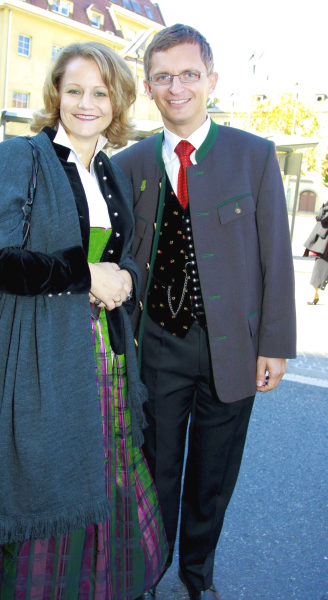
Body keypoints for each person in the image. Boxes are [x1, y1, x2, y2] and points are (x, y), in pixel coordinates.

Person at [0, 42, 167, 599]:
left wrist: (124, 279)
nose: (86, 103)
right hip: (35, 353)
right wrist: (82, 275)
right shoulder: (18, 158)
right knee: (42, 481)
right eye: (74, 90)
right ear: (56, 94)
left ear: (118, 102)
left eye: (100, 93)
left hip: (102, 355)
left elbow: (122, 256)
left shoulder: (110, 171)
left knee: (102, 473)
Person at [113, 24, 296, 600]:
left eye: (189, 74)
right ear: (148, 86)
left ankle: (198, 575)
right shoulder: (129, 163)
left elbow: (276, 257)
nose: (177, 87)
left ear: (211, 80)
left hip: (233, 347)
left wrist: (275, 345)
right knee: (155, 469)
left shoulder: (254, 156)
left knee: (213, 474)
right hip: (156, 345)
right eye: (163, 77)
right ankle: (149, 571)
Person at [304, 200, 328, 304]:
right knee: (320, 269)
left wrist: (322, 209)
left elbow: (322, 217)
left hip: (325, 245)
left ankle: (315, 295)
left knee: (320, 269)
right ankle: (315, 295)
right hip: (324, 243)